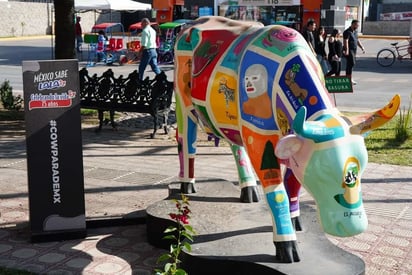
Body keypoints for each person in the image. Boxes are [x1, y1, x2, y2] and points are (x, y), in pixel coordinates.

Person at [343, 19, 365, 84]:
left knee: (350, 64)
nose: (357, 26)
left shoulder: (355, 32)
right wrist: (346, 50)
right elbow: (345, 41)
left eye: (358, 25)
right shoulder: (347, 32)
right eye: (356, 25)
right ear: (352, 24)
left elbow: (357, 40)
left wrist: (362, 47)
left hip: (354, 50)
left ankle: (348, 78)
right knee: (351, 63)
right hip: (349, 50)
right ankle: (349, 78)